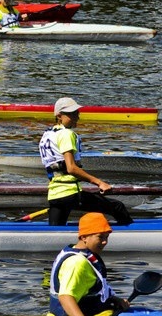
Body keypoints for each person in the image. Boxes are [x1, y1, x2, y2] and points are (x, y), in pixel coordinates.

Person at [39, 97, 134, 226]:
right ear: (59, 116)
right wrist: (100, 183)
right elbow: (71, 168)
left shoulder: (47, 135)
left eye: (77, 112)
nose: (77, 116)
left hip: (55, 195)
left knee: (55, 230)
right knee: (118, 207)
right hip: (71, 193)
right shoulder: (66, 134)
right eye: (72, 114)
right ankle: (131, 234)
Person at [45, 213, 129, 316]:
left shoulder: (79, 253)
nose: (105, 242)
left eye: (107, 237)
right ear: (84, 237)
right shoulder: (77, 263)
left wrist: (114, 299)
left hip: (92, 313)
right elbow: (65, 297)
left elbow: (88, 290)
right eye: (100, 237)